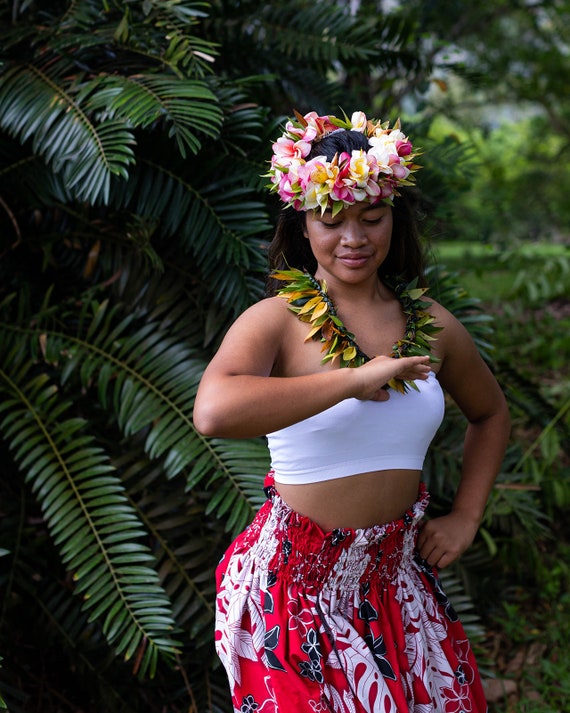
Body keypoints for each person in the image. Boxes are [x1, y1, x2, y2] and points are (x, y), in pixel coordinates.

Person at [193, 110, 510, 713]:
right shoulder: (276, 321)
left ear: (395, 215)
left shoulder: (432, 324)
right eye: (330, 220)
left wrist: (466, 516)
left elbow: (491, 414)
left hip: (397, 584)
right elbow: (213, 412)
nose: (354, 239)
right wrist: (350, 381)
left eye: (372, 217)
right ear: (302, 224)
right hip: (294, 593)